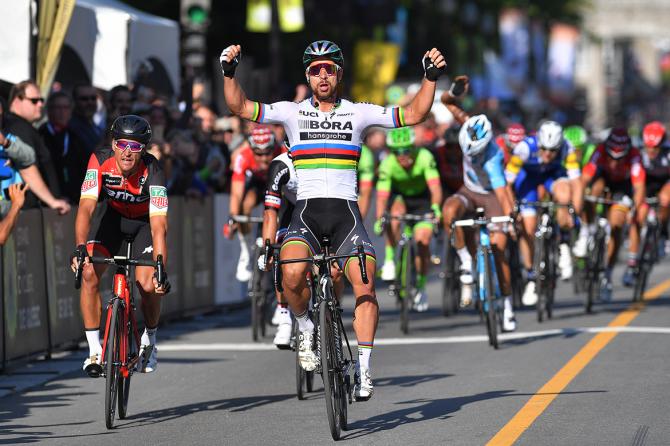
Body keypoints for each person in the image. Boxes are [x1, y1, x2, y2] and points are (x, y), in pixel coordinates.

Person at [220, 39, 446, 400]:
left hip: (346, 216)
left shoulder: (359, 113)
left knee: (365, 286)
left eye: (329, 68)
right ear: (307, 77)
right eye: (315, 69)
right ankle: (306, 326)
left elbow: (413, 115)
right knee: (290, 274)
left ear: (339, 74)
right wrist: (229, 72)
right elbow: (241, 106)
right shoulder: (291, 112)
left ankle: (365, 370)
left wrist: (429, 78)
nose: (322, 75)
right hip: (307, 214)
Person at [70, 115, 171, 377]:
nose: (127, 152)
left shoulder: (154, 170)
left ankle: (150, 340)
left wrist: (160, 265)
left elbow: (159, 225)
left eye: (135, 146)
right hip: (112, 220)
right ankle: (94, 350)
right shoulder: (99, 160)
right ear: (113, 144)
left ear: (144, 149)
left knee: (148, 285)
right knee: (89, 271)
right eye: (122, 144)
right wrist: (80, 247)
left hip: (143, 226)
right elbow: (86, 207)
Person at [505, 120, 582, 305]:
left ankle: (563, 242)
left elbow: (577, 183)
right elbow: (506, 184)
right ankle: (531, 274)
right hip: (528, 179)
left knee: (565, 195)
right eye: (544, 149)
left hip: (552, 176)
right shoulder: (524, 148)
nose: (548, 154)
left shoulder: (567, 147)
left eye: (553, 150)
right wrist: (511, 211)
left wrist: (574, 213)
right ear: (538, 143)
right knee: (528, 228)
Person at [374, 127, 442, 312]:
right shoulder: (388, 164)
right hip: (401, 199)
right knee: (393, 215)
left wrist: (436, 209)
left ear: (413, 147)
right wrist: (380, 218)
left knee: (423, 242)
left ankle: (421, 285)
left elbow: (435, 189)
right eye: (396, 151)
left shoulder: (425, 157)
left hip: (423, 201)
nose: (402, 155)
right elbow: (381, 197)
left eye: (406, 150)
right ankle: (389, 261)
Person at [576, 128, 646, 300]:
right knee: (592, 191)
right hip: (603, 180)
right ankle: (587, 230)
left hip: (623, 188)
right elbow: (584, 179)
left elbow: (639, 187)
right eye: (611, 157)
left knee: (616, 226)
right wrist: (578, 204)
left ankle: (606, 275)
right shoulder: (599, 151)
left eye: (619, 158)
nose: (615, 162)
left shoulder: (635, 157)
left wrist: (635, 209)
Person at [226, 126, 284, 282]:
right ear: (251, 149)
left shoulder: (282, 152)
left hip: (280, 185)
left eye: (267, 152)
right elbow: (236, 192)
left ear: (274, 148)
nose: (264, 158)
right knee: (246, 204)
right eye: (258, 153)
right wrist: (232, 218)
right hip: (258, 185)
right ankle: (246, 250)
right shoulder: (242, 157)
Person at [5, 80, 71, 214]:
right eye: (34, 101)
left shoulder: (24, 126)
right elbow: (27, 168)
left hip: (32, 211)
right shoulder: (18, 127)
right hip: (25, 213)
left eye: (41, 100)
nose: (40, 104)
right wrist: (52, 201)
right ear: (17, 100)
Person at [259, 149, 298, 348]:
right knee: (280, 252)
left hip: (324, 210)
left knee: (332, 269)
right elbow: (270, 212)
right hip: (293, 211)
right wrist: (268, 247)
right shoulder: (281, 165)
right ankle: (284, 317)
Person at [38, 92, 89, 203]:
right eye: (57, 107)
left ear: (71, 111)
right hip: (47, 200)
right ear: (49, 110)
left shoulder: (76, 138)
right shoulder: (40, 137)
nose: (62, 112)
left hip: (73, 200)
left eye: (66, 108)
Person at [639, 121, 670, 253]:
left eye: (655, 147)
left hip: (665, 181)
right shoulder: (639, 152)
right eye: (648, 147)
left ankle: (663, 232)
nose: (651, 151)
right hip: (647, 182)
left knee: (665, 199)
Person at [69, 84, 103, 153]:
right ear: (74, 101)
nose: (90, 102)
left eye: (93, 98)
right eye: (84, 99)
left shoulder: (94, 125)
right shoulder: (71, 127)